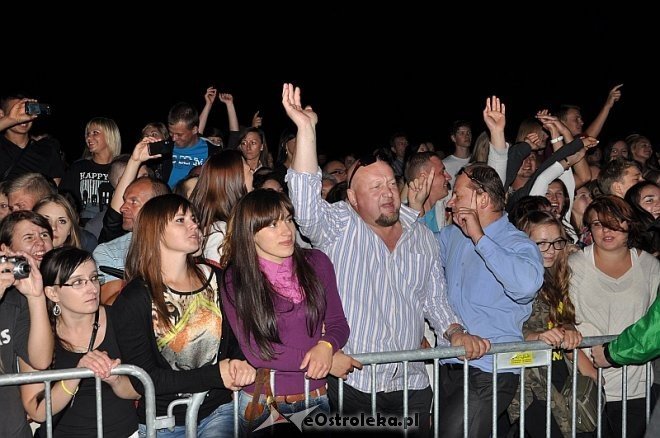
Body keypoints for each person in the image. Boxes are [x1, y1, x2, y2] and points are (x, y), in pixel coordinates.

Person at [283, 83, 489, 436]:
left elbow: (434, 300)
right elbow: (304, 205)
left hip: (410, 383)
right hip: (354, 382)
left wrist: (455, 332)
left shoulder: (421, 235)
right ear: (352, 197)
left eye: (390, 184)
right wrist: (306, 130)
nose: (387, 192)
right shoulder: (340, 226)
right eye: (374, 187)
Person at [110, 194, 255, 437]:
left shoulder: (217, 279)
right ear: (154, 231)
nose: (194, 225)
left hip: (219, 410)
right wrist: (216, 374)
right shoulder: (134, 299)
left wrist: (240, 365)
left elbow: (239, 339)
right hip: (164, 420)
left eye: (194, 219)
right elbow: (144, 378)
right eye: (180, 220)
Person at [219, 189, 350, 434]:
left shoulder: (317, 262)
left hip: (315, 396)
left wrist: (327, 346)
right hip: (263, 402)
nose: (286, 231)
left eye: (288, 219)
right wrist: (325, 363)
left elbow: (338, 323)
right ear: (250, 232)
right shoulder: (236, 278)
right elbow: (258, 351)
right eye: (272, 224)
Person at [437, 163, 544, 437]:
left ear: (482, 198)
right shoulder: (450, 236)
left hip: (491, 369)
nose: (450, 203)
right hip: (450, 364)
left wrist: (479, 238)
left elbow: (526, 286)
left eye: (458, 195)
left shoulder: (518, 243)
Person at [20, 247, 139, 437]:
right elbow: (38, 410)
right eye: (78, 283)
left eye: (93, 278)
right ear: (53, 293)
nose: (92, 288)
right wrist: (76, 374)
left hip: (123, 432)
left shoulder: (121, 319)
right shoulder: (37, 332)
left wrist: (115, 379)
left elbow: (141, 388)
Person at [570, 195, 659, 438]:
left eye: (614, 222)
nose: (606, 230)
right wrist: (588, 369)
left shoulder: (650, 266)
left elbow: (655, 325)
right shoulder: (574, 264)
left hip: (637, 384)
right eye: (598, 224)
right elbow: (563, 323)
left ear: (629, 225)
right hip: (587, 383)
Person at [508, 211, 597, 437]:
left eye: (557, 242)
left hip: (560, 374)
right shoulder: (514, 280)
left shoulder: (557, 278)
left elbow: (562, 323)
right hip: (531, 385)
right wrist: (535, 337)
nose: (551, 251)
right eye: (542, 244)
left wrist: (569, 332)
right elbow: (505, 328)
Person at [0, 211, 54, 438]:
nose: (40, 243)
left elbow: (40, 360)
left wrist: (36, 297)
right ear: (5, 251)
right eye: (29, 237)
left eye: (44, 235)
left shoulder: (20, 299)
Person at [60, 118, 121, 222]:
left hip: (112, 228)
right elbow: (64, 200)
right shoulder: (78, 168)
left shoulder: (122, 169)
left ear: (110, 136)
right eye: (88, 134)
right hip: (82, 229)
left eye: (95, 133)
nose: (89, 137)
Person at [0, 95, 65, 184]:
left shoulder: (47, 149)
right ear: (2, 114)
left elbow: (56, 191)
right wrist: (11, 119)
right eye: (17, 111)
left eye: (27, 111)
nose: (23, 117)